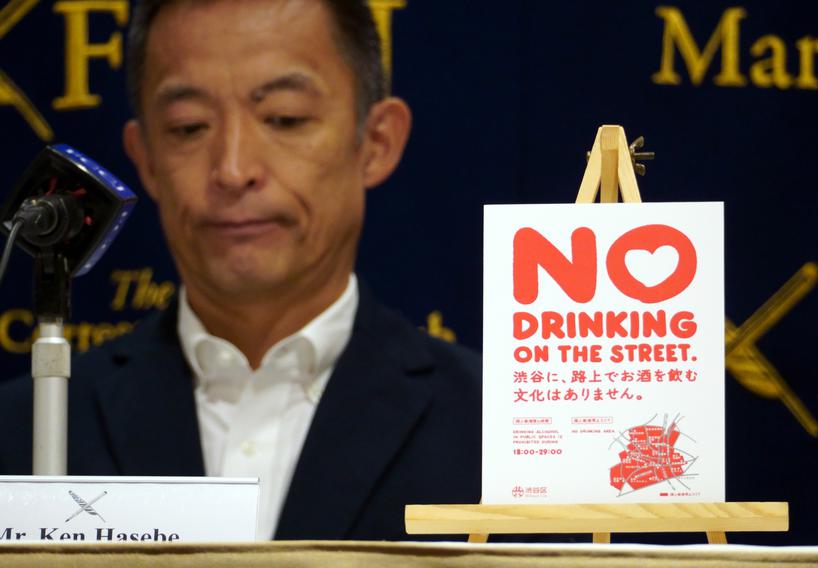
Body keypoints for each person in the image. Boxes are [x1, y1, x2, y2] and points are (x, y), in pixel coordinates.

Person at [0, 0, 481, 541]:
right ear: (146, 158)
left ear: (376, 141)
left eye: (284, 118)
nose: (232, 169)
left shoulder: (498, 434)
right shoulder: (30, 430)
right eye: (189, 128)